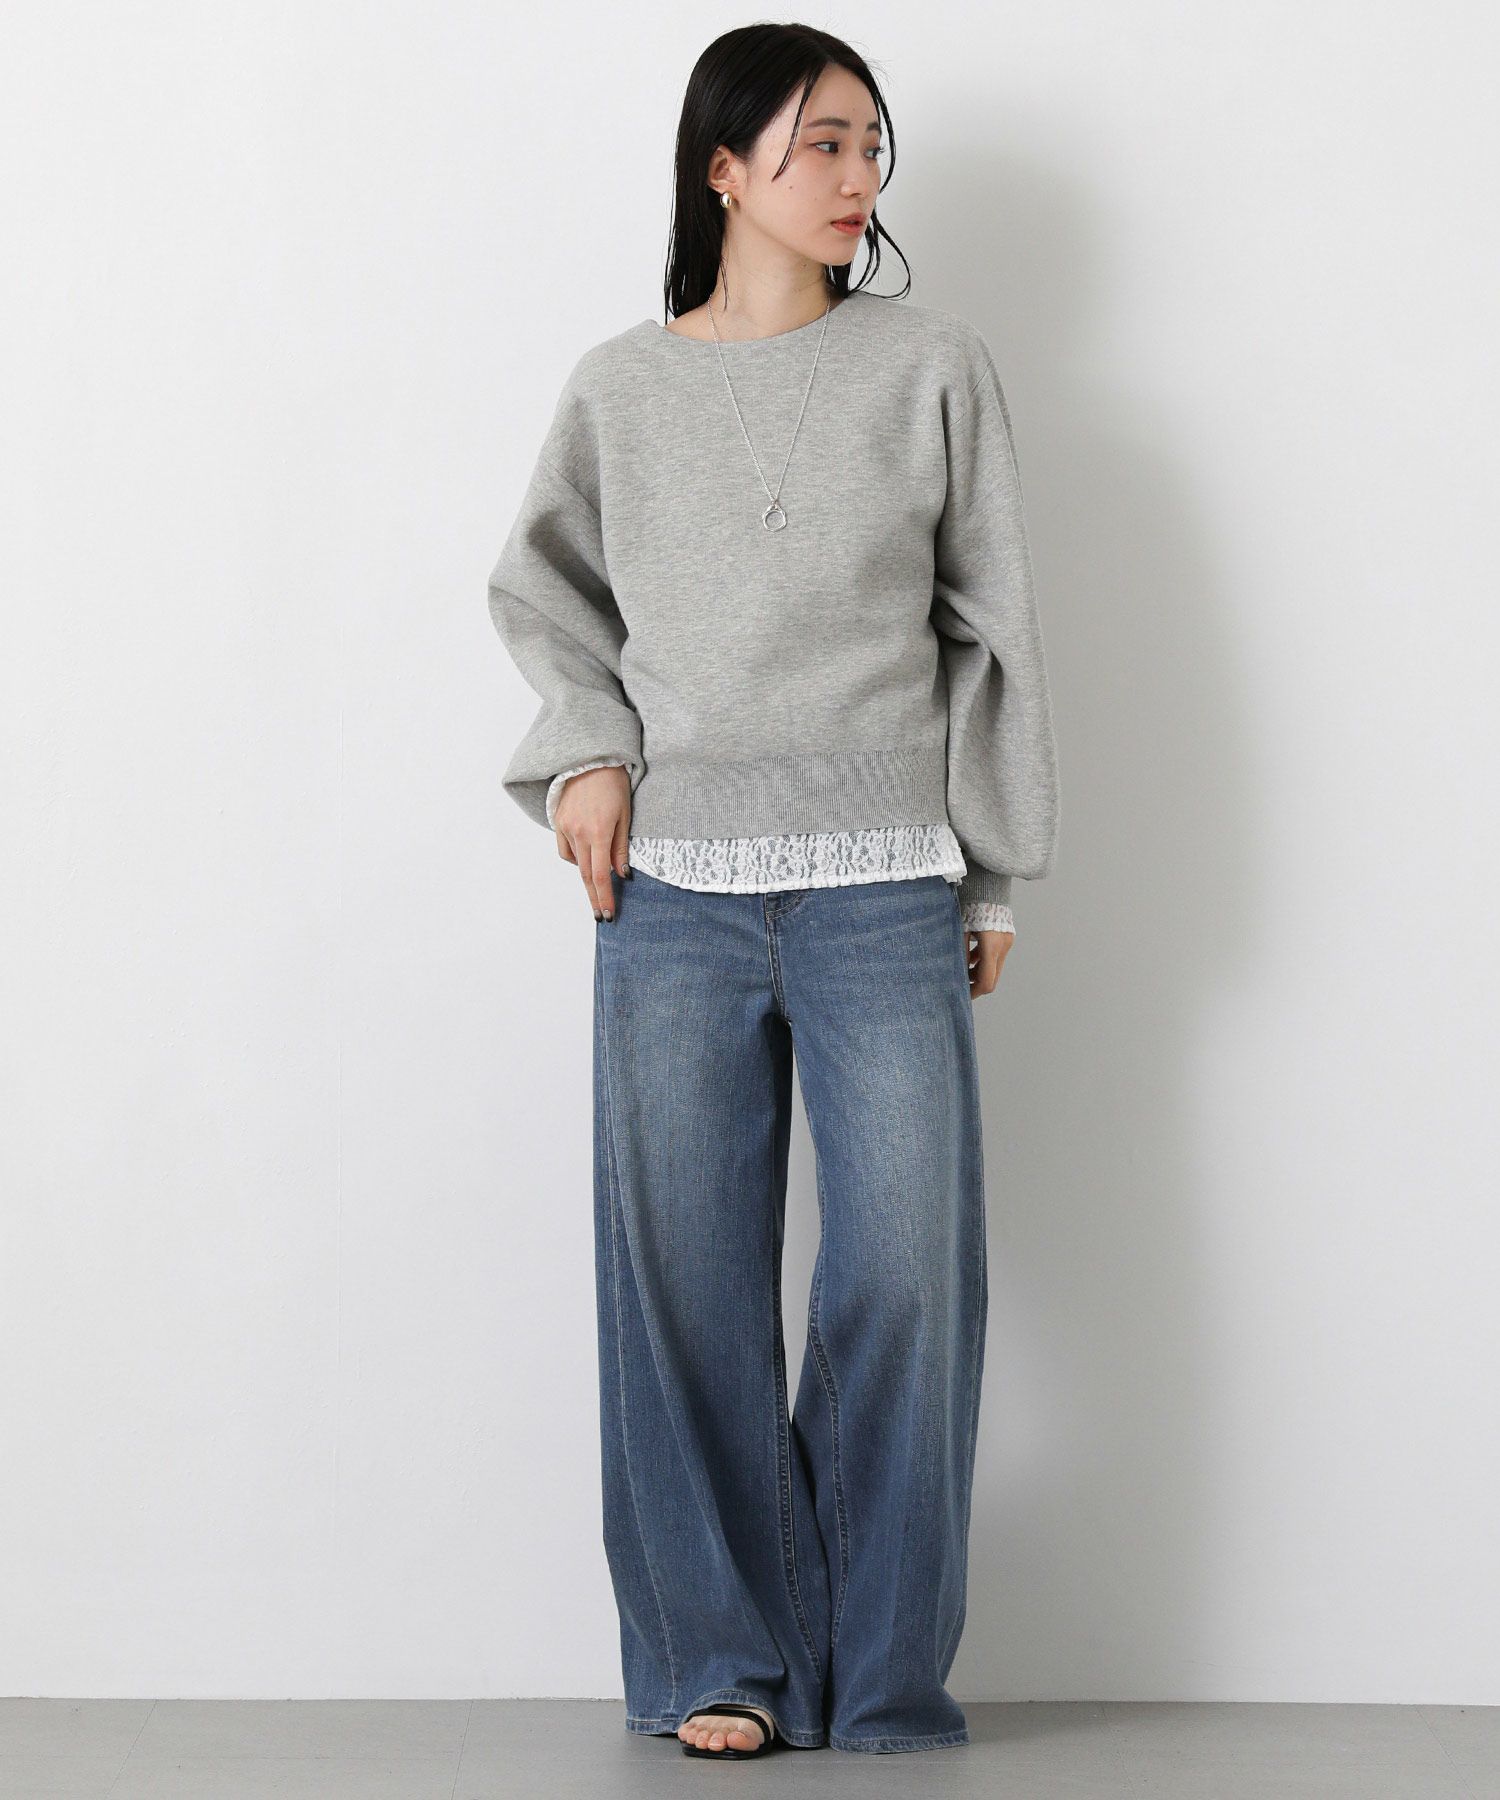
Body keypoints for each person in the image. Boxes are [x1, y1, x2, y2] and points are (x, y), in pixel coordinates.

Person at [485, 23, 1060, 1760]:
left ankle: (875, 1670)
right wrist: (586, 755)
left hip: (887, 881)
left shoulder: (934, 367)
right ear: (722, 168)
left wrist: (994, 868)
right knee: (681, 1284)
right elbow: (547, 598)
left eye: (873, 144)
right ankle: (722, 1661)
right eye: (822, 143)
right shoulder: (618, 388)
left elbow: (994, 632)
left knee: (907, 1274)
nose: (858, 175)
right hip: (670, 890)